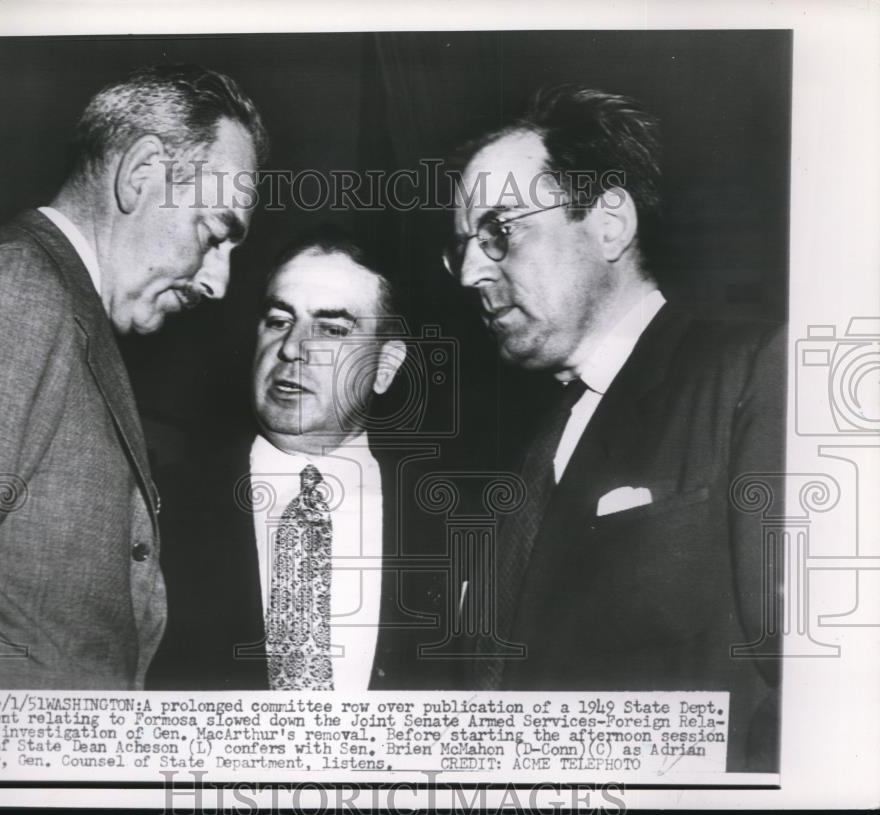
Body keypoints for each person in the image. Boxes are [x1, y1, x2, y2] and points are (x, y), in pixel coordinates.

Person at [0, 65, 267, 767]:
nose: (219, 281)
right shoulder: (10, 291)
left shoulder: (68, 313)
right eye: (217, 231)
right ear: (141, 174)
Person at [444, 85, 784, 772]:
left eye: (499, 231)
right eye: (461, 249)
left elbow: (809, 683)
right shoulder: (520, 456)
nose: (473, 271)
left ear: (608, 224)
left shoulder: (751, 371)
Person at [149, 227, 446, 691]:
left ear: (385, 367)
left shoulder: (449, 519)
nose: (290, 348)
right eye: (278, 320)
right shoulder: (160, 506)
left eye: (330, 329)